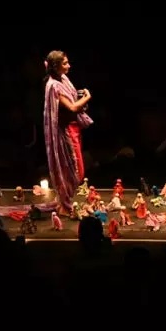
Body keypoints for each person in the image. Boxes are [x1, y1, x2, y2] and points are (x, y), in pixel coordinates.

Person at [43, 50, 93, 216]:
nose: (69, 66)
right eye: (65, 63)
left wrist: (78, 96)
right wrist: (87, 97)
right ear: (55, 66)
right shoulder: (54, 85)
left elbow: (71, 99)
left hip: (73, 128)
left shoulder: (63, 79)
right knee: (73, 170)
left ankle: (65, 202)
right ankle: (64, 205)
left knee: (77, 170)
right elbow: (72, 107)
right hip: (65, 131)